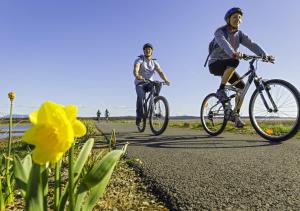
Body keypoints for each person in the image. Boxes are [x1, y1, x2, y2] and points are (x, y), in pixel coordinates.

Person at [207, 7, 274, 128]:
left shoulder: (240, 34)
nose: (237, 19)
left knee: (242, 89)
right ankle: (221, 89)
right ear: (228, 19)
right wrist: (234, 53)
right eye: (234, 17)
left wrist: (265, 55)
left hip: (229, 64)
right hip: (215, 64)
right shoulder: (220, 31)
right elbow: (224, 44)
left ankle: (235, 115)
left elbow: (252, 44)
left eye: (239, 17)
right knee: (235, 61)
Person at [133, 43, 170, 126]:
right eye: (146, 49)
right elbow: (136, 68)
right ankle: (139, 116)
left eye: (149, 49)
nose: (147, 50)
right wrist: (137, 75)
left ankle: (153, 103)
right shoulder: (140, 60)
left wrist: (166, 80)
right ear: (144, 51)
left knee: (158, 84)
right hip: (141, 83)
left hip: (150, 83)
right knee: (141, 97)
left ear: (152, 51)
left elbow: (160, 72)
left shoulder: (154, 62)